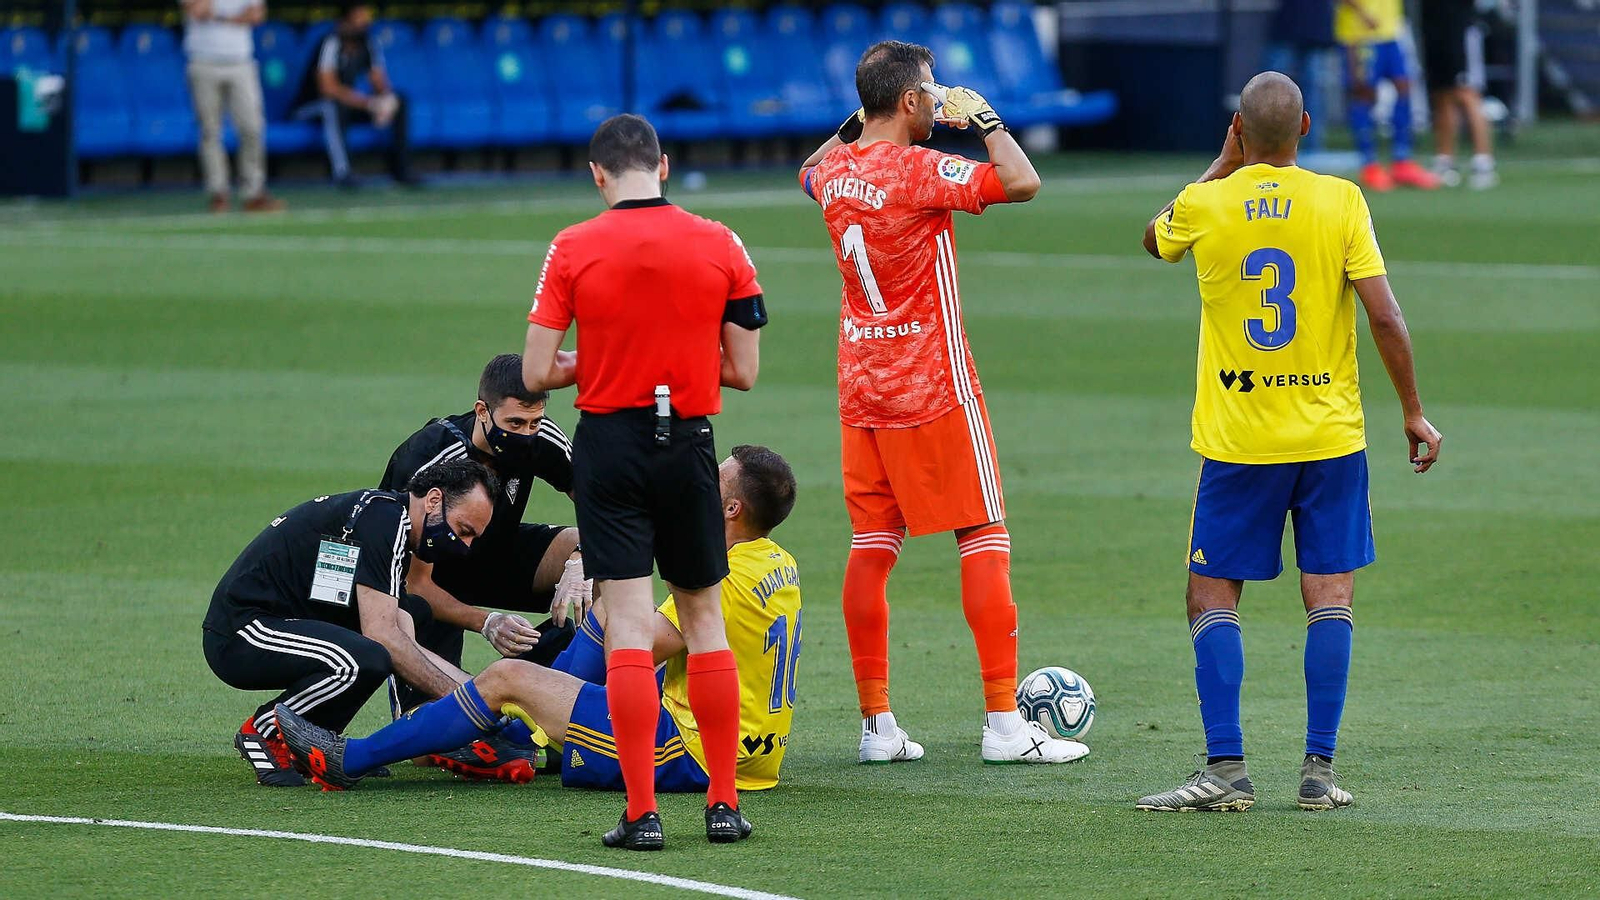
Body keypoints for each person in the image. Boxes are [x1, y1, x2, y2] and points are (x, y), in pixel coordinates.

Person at [1137, 72, 1443, 812]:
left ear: (1238, 129)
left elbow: (1154, 239)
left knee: (1211, 597)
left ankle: (1226, 771)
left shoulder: (1206, 204)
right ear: (1305, 125)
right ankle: (1318, 773)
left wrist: (1220, 167)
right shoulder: (1342, 200)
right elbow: (1387, 318)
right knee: (1329, 596)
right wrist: (1412, 410)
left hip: (1239, 442)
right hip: (1330, 437)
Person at [795, 41, 1086, 767]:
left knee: (871, 548)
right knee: (983, 534)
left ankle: (877, 727)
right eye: (931, 91)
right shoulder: (919, 170)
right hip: (933, 385)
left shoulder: (833, 170)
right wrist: (985, 119)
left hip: (863, 389)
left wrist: (859, 118)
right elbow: (1022, 182)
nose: (939, 99)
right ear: (909, 103)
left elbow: (805, 170)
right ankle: (1003, 724)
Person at [275, 445, 802, 803]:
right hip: (755, 753)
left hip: (693, 754)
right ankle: (529, 736)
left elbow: (635, 648)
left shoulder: (723, 580)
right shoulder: (778, 562)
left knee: (511, 678)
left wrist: (549, 678)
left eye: (713, 479)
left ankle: (350, 758)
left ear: (730, 507)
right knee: (602, 613)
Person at [521, 113, 766, 849]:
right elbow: (743, 370)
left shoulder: (572, 246)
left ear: (598, 175)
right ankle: (724, 807)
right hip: (689, 442)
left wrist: (602, 361)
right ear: (663, 166)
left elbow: (536, 372)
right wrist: (673, 359)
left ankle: (642, 813)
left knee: (626, 626)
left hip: (611, 444)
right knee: (705, 622)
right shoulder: (720, 241)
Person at [202, 457, 498, 786]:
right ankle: (265, 730)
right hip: (241, 631)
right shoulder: (384, 520)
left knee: (415, 614)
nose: (465, 546)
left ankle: (317, 742)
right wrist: (469, 705)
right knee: (365, 658)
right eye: (464, 530)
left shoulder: (389, 519)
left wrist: (478, 694)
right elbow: (385, 637)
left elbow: (402, 630)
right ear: (433, 500)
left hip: (284, 621)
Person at [377, 353, 585, 781]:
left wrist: (583, 564)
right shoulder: (434, 456)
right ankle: (494, 707)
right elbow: (414, 583)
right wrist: (487, 622)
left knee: (601, 569)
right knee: (428, 740)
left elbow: (604, 506)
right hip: (423, 579)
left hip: (493, 556)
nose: (526, 435)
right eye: (514, 425)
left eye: (534, 423)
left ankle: (567, 707)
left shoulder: (540, 436)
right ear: (482, 411)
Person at [179, 0, 285, 212]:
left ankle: (253, 192)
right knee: (210, 131)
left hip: (240, 61)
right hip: (203, 61)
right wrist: (234, 16)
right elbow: (196, 10)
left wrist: (217, 14)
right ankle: (218, 192)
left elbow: (257, 16)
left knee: (252, 127)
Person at [295, 1, 416, 187]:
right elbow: (328, 89)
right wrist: (368, 104)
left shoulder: (367, 42)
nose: (365, 21)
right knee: (332, 107)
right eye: (360, 16)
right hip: (310, 108)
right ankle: (343, 173)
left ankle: (401, 171)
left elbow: (378, 80)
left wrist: (386, 101)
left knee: (400, 100)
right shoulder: (331, 41)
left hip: (347, 106)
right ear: (345, 20)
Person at [1335, 0, 1440, 190]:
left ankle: (1402, 160)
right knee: (1363, 95)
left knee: (1404, 87)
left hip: (1391, 31)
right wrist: (1362, 13)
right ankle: (1369, 164)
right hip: (1360, 32)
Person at [1420, 0, 1497, 189]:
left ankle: (1483, 162)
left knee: (1467, 93)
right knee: (1442, 95)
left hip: (1460, 28)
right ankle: (1445, 161)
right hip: (1435, 28)